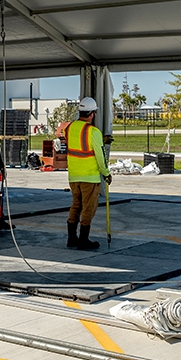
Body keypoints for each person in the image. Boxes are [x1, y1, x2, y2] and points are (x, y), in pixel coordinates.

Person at [65, 97, 111, 250]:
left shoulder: (69, 128)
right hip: (89, 177)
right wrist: (106, 173)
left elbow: (78, 144)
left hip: (74, 176)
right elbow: (100, 156)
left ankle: (72, 238)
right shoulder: (93, 131)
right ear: (92, 114)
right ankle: (83, 240)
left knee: (76, 206)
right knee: (88, 208)